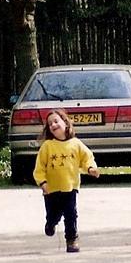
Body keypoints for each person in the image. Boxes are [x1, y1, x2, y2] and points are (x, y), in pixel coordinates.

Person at [33, 108, 99, 253]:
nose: (53, 125)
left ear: (66, 123)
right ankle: (50, 223)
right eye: (50, 124)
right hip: (51, 189)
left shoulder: (76, 144)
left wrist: (91, 168)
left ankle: (72, 239)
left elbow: (87, 158)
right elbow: (39, 167)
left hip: (70, 187)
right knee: (53, 214)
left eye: (56, 121)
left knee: (71, 214)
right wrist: (43, 183)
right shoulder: (47, 146)